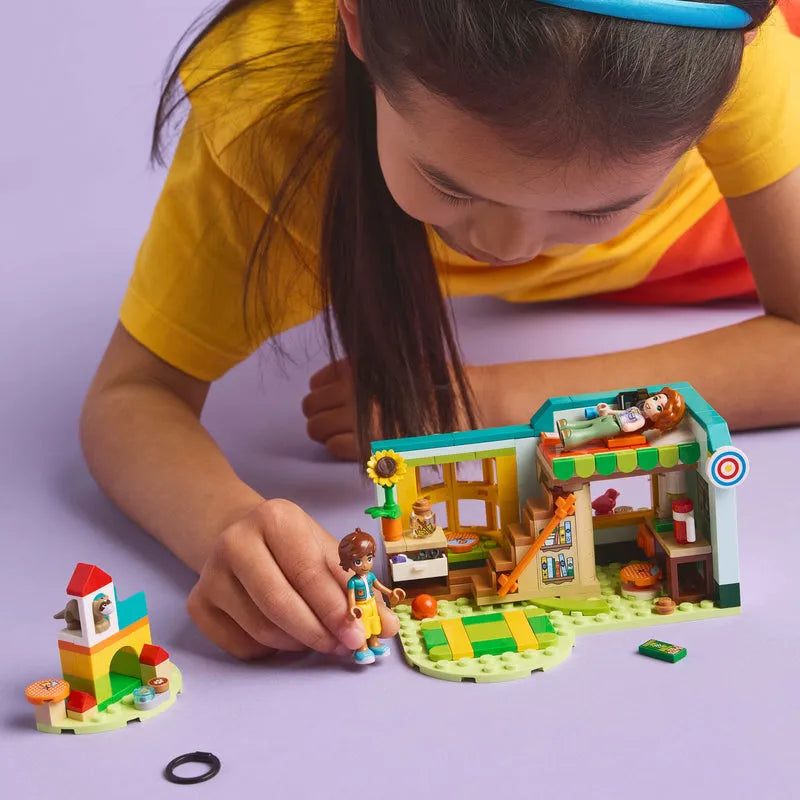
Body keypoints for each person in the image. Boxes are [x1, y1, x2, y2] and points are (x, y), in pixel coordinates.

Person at [80, 0, 800, 659]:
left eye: (593, 210)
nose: (510, 245)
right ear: (355, 23)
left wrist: (479, 400)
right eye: (449, 185)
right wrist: (224, 524)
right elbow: (132, 395)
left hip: (713, 239)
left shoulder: (720, 45)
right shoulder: (267, 103)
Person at [338, 529, 406, 665]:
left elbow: (379, 586)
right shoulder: (353, 582)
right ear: (348, 563)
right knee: (363, 627)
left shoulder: (371, 576)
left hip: (372, 604)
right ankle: (362, 648)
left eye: (369, 559)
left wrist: (390, 593)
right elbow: (351, 597)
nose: (365, 565)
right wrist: (352, 609)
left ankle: (374, 643)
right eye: (358, 562)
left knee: (374, 623)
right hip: (361, 607)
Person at [558, 387, 686, 450]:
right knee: (591, 422)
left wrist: (627, 426)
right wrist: (608, 411)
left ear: (659, 418)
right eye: (656, 398)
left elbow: (630, 427)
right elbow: (622, 412)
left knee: (593, 431)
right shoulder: (636, 410)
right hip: (612, 418)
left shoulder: (641, 420)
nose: (652, 403)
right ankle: (568, 424)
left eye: (659, 408)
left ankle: (571, 438)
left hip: (615, 426)